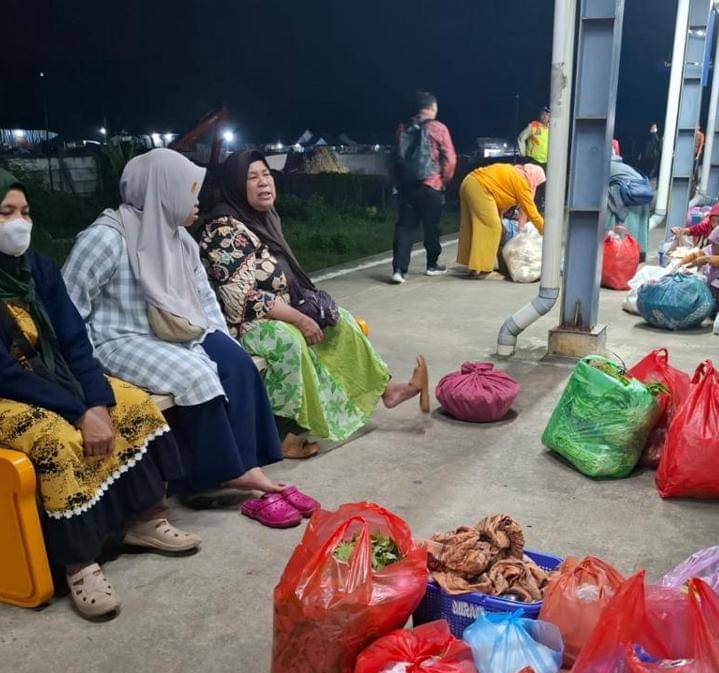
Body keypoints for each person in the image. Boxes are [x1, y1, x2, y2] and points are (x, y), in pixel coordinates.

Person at [0, 165, 200, 620]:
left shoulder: (36, 269)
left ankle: (143, 519)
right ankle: (80, 563)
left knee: (134, 405)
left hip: (53, 378)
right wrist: (77, 410)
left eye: (24, 210)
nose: (19, 222)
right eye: (4, 212)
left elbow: (73, 341)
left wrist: (97, 401)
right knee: (54, 438)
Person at [62, 148, 318, 530]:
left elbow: (204, 300)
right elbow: (69, 305)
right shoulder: (106, 239)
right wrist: (85, 367)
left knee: (237, 364)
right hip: (117, 338)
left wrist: (221, 340)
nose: (196, 202)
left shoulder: (178, 238)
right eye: (188, 192)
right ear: (161, 193)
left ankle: (247, 461)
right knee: (196, 376)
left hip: (173, 330)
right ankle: (221, 474)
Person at [199, 150, 429, 458]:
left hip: (281, 309)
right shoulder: (223, 231)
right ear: (234, 186)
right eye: (251, 178)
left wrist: (309, 311)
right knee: (289, 341)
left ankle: (388, 390)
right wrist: (299, 318)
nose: (263, 183)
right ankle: (282, 435)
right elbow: (239, 299)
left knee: (340, 321)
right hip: (243, 324)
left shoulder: (263, 219)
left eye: (266, 174)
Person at [391, 90, 456, 284]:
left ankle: (399, 271)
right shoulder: (438, 128)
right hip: (430, 185)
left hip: (407, 187)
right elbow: (450, 159)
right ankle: (432, 265)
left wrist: (398, 183)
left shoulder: (403, 128)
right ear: (432, 108)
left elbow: (396, 159)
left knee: (404, 228)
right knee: (432, 227)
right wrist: (444, 180)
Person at [456, 162, 545, 278]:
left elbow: (500, 200)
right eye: (538, 182)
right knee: (492, 227)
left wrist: (519, 226)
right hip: (479, 187)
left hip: (470, 183)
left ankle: (476, 265)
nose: (536, 186)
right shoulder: (521, 182)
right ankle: (481, 270)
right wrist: (545, 230)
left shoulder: (516, 174)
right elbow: (531, 211)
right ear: (534, 177)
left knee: (481, 227)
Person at [607, 148, 653, 258]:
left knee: (619, 227)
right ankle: (635, 252)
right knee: (636, 230)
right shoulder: (621, 166)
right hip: (641, 194)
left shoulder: (604, 165)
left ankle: (620, 253)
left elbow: (614, 200)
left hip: (630, 194)